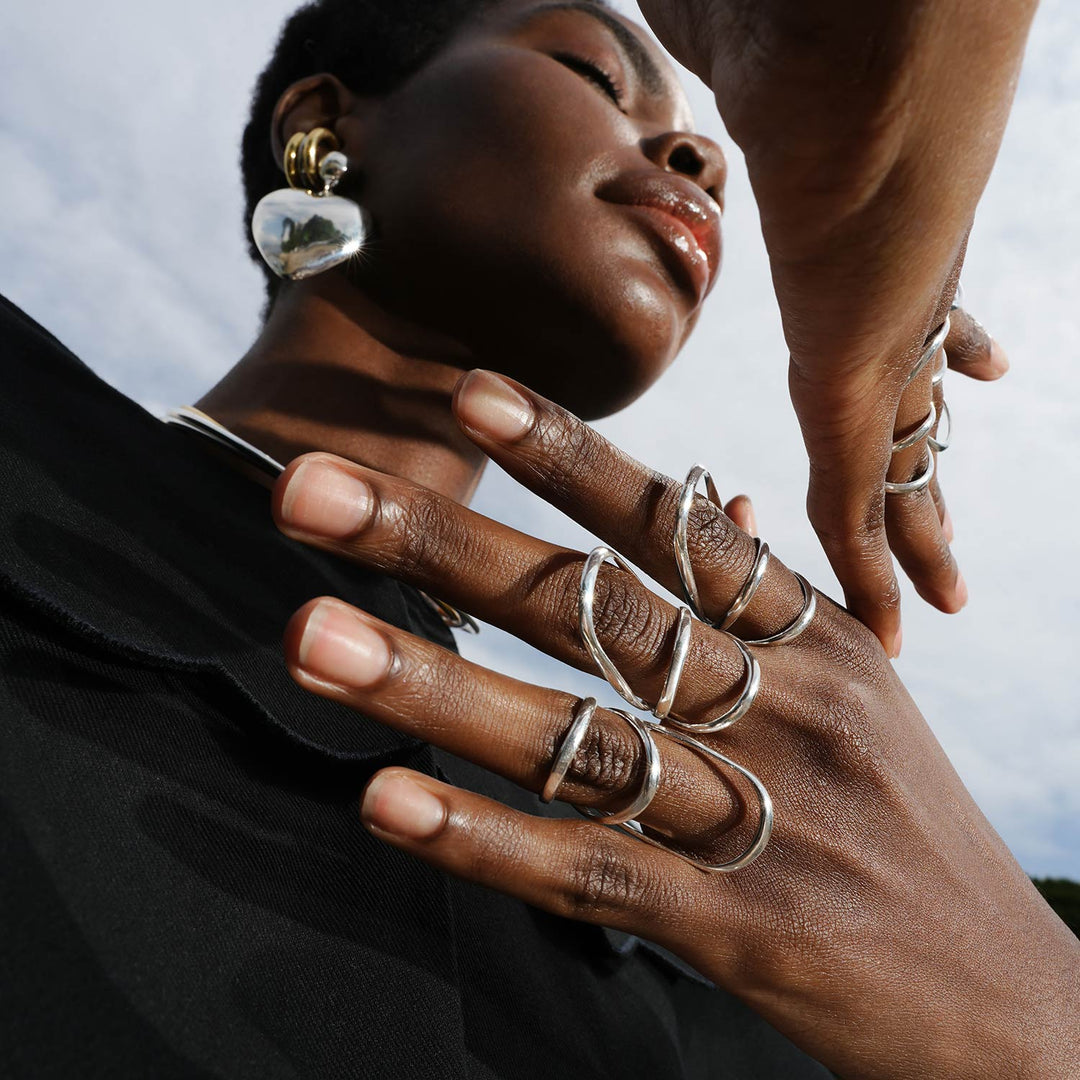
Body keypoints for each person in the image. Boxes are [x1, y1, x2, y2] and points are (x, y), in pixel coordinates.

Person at [0, 2, 1074, 1079]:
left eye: (710, 153)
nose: (701, 155)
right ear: (324, 130)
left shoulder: (682, 917)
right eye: (598, 76)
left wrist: (1033, 1017)